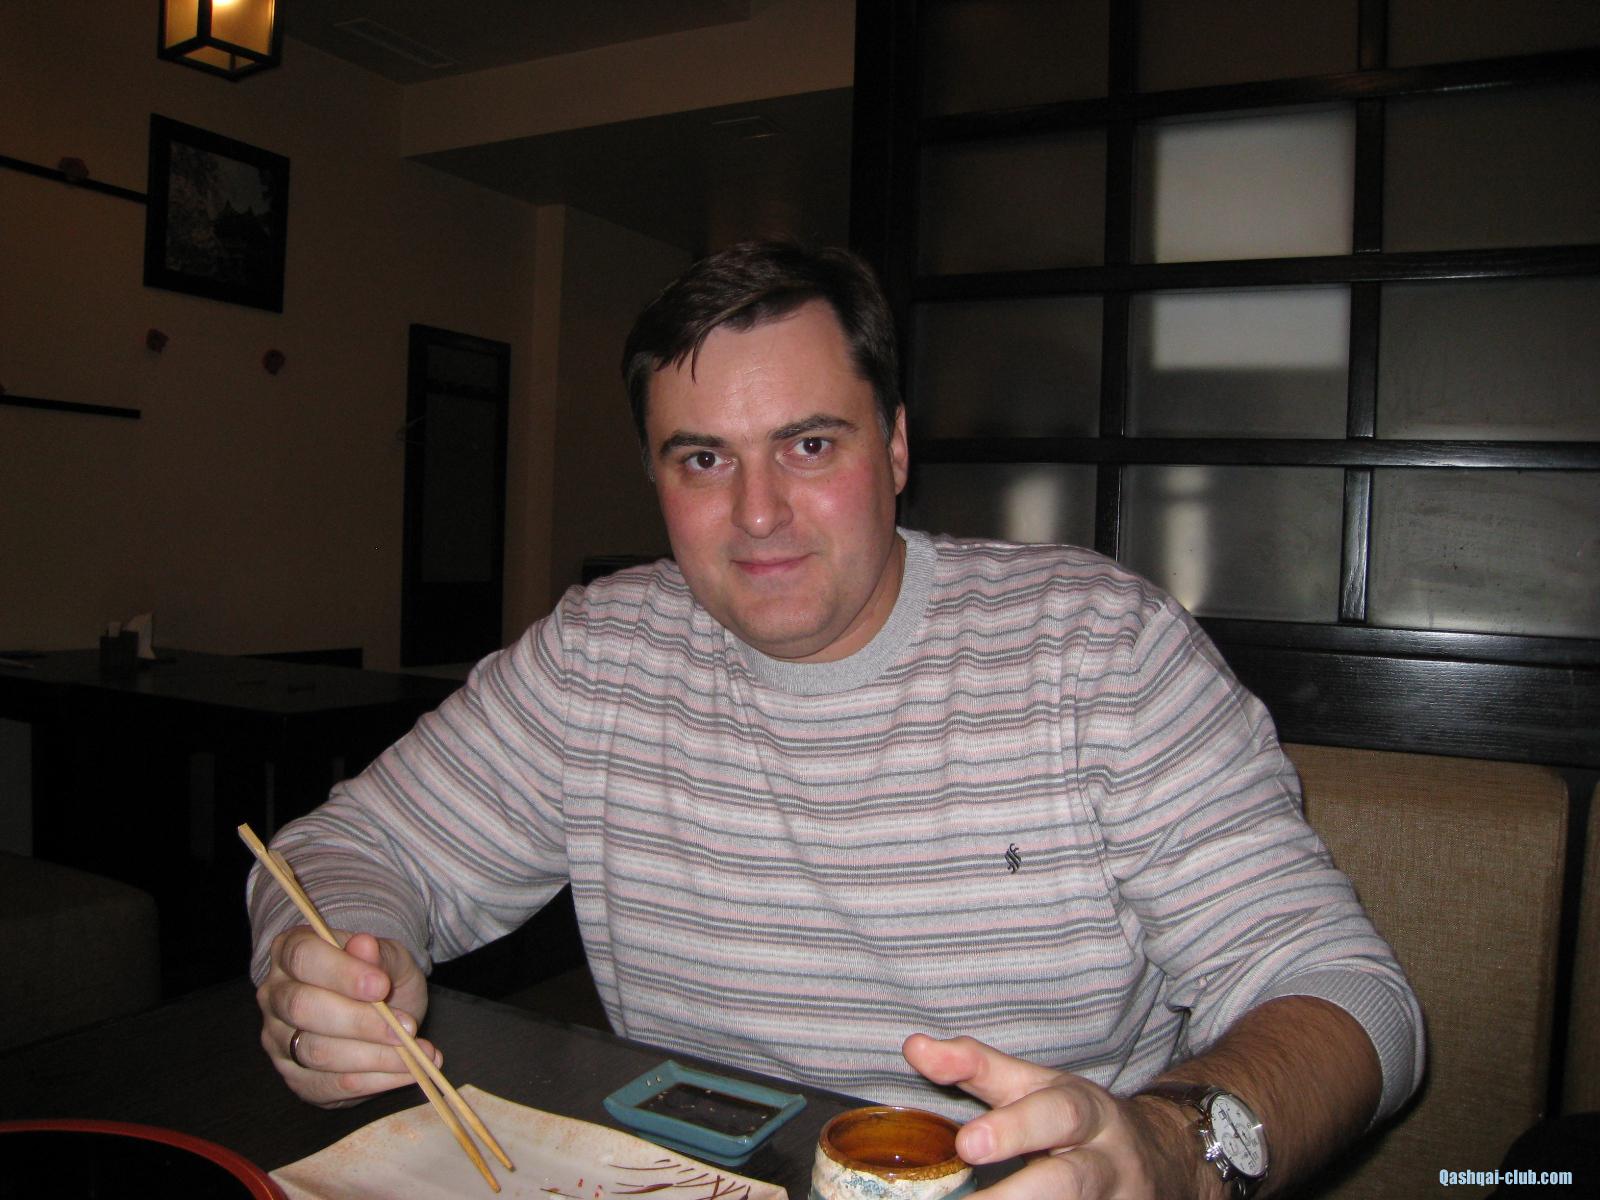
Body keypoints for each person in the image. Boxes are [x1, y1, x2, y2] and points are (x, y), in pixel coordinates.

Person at [250, 242, 1422, 1199]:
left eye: (809, 445)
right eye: (702, 459)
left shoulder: (1099, 651)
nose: (758, 513)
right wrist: (337, 967)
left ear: (895, 446)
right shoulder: (602, 656)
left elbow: (1346, 996)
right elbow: (346, 849)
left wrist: (1171, 1151)